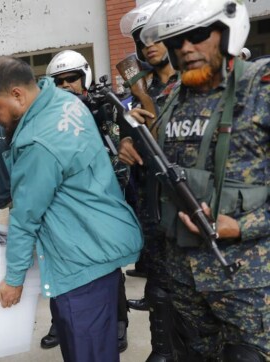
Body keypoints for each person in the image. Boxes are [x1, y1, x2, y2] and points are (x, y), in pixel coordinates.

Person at [120, 0, 270, 359]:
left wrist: (242, 226)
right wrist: (130, 143)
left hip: (245, 281)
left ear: (227, 33)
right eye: (177, 41)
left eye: (199, 35)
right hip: (184, 279)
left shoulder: (259, 91)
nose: (186, 48)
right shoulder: (172, 97)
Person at [0, 56, 142, 362]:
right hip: (97, 244)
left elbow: (27, 217)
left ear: (17, 95)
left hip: (78, 262)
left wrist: (14, 280)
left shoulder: (38, 141)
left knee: (87, 353)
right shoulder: (64, 101)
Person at [44, 49, 131, 353]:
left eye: (72, 79)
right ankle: (61, 322)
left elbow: (118, 155)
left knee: (108, 267)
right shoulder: (48, 116)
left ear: (85, 78)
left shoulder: (104, 108)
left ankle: (118, 323)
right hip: (67, 207)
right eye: (60, 81)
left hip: (102, 201)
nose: (66, 85)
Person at [118, 1, 179, 360]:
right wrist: (127, 139)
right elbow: (132, 140)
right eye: (142, 41)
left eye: (156, 38)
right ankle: (160, 349)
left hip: (186, 202)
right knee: (158, 285)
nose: (149, 46)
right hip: (150, 202)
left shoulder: (193, 83)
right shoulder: (134, 94)